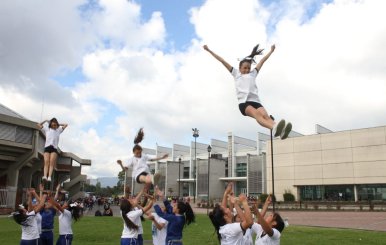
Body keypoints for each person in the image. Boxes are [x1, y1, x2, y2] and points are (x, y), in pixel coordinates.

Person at [203, 44, 292, 140]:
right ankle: (274, 128)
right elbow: (222, 60)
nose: (247, 70)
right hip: (244, 103)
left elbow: (262, 61)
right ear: (240, 68)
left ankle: (281, 132)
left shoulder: (253, 73)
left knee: (266, 116)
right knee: (257, 114)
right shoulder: (235, 73)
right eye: (245, 68)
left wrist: (271, 51)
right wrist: (209, 50)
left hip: (256, 101)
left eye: (248, 68)